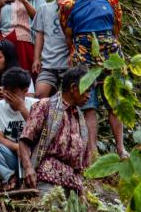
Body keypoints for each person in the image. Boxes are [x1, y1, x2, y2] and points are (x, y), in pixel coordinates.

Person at [59, 0, 126, 158]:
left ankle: (121, 148)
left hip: (110, 55)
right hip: (82, 55)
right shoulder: (69, 4)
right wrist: (82, 50)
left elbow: (116, 29)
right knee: (88, 105)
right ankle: (92, 152)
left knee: (115, 102)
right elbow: (68, 35)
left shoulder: (110, 1)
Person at [18, 66, 92, 195]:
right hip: (47, 178)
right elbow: (24, 140)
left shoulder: (80, 118)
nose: (88, 96)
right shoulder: (45, 105)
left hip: (72, 183)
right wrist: (28, 168)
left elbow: (82, 164)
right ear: (74, 88)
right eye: (87, 90)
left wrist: (82, 192)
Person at [0, 68, 37, 189]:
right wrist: (16, 147)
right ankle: (9, 176)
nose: (7, 94)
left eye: (13, 91)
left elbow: (40, 132)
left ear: (25, 91)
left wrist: (22, 109)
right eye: (5, 90)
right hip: (11, 155)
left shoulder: (36, 105)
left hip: (33, 155)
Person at [32, 0, 75, 98]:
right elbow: (40, 34)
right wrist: (36, 58)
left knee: (71, 99)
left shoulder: (77, 6)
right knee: (40, 95)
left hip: (70, 64)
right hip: (49, 64)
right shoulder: (44, 8)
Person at [0, 39, 34, 128]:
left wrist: (7, 94)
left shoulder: (22, 75)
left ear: (8, 58)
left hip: (19, 113)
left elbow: (30, 100)